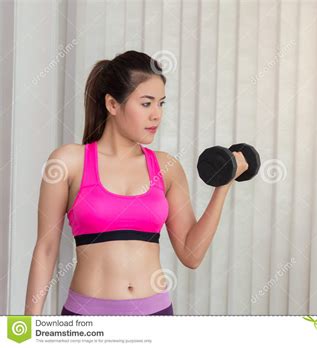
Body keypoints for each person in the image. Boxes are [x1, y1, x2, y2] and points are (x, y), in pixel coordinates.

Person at [24, 50, 248, 316]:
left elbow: (191, 254)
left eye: (161, 103)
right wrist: (27, 330)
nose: (157, 115)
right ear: (113, 105)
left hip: (155, 317)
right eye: (146, 103)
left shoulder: (167, 168)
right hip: (87, 320)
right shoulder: (68, 162)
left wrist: (224, 184)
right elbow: (47, 248)